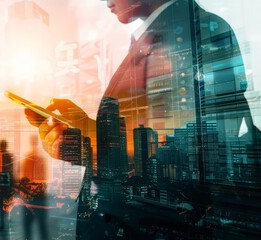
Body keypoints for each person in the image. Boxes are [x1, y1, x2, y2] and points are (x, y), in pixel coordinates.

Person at [25, 0, 261, 238]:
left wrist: (92, 147)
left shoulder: (189, 33)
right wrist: (89, 130)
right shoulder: (169, 32)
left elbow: (200, 156)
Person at [0, 139, 14, 231]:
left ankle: (3, 224)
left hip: (2, 185)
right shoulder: (8, 156)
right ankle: (5, 222)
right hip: (6, 185)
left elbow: (4, 172)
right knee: (4, 205)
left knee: (1, 205)